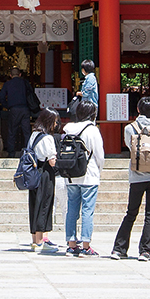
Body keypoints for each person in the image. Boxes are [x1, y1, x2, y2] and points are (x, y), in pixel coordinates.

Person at [113, 95, 150, 261]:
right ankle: (145, 251)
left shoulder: (130, 128)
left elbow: (131, 148)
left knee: (131, 212)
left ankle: (119, 249)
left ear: (137, 109)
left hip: (136, 176)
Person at [58, 98, 106, 256]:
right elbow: (99, 154)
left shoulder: (68, 130)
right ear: (92, 114)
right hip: (89, 175)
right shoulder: (93, 130)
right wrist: (99, 170)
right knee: (87, 210)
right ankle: (86, 245)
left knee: (71, 209)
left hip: (71, 175)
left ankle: (71, 244)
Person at [22, 108, 60, 252]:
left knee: (34, 205)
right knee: (44, 205)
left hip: (33, 173)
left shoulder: (34, 135)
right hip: (45, 174)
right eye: (55, 121)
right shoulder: (47, 138)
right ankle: (40, 241)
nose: (56, 125)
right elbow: (52, 161)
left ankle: (34, 240)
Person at [0, 69, 32, 156]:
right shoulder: (25, 83)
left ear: (10, 75)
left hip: (13, 109)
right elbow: (31, 93)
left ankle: (11, 152)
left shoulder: (7, 84)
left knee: (12, 131)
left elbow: (1, 97)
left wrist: (7, 105)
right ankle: (28, 152)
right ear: (20, 74)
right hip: (25, 109)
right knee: (27, 131)